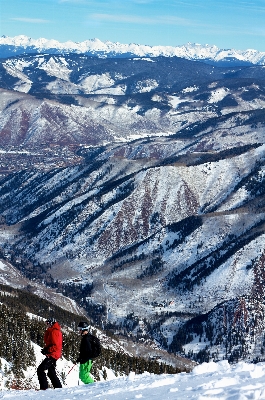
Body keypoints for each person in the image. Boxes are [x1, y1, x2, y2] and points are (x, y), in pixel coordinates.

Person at [37, 318, 63, 390]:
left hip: (53, 355)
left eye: (48, 323)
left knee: (40, 369)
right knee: (51, 372)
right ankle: (59, 389)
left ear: (52, 323)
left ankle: (44, 389)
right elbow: (50, 343)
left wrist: (47, 350)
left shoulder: (55, 332)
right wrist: (46, 349)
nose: (47, 325)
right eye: (46, 323)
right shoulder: (51, 331)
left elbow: (56, 346)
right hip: (52, 354)